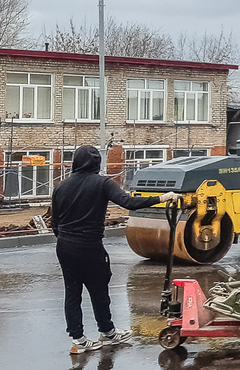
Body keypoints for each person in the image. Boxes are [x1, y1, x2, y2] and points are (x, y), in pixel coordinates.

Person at [51, 145, 177, 354]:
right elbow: (128, 202)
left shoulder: (60, 187)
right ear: (96, 163)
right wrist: (161, 198)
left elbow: (55, 223)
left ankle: (79, 340)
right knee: (99, 290)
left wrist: (66, 240)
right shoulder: (102, 184)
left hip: (65, 246)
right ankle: (108, 333)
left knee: (72, 293)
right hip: (90, 246)